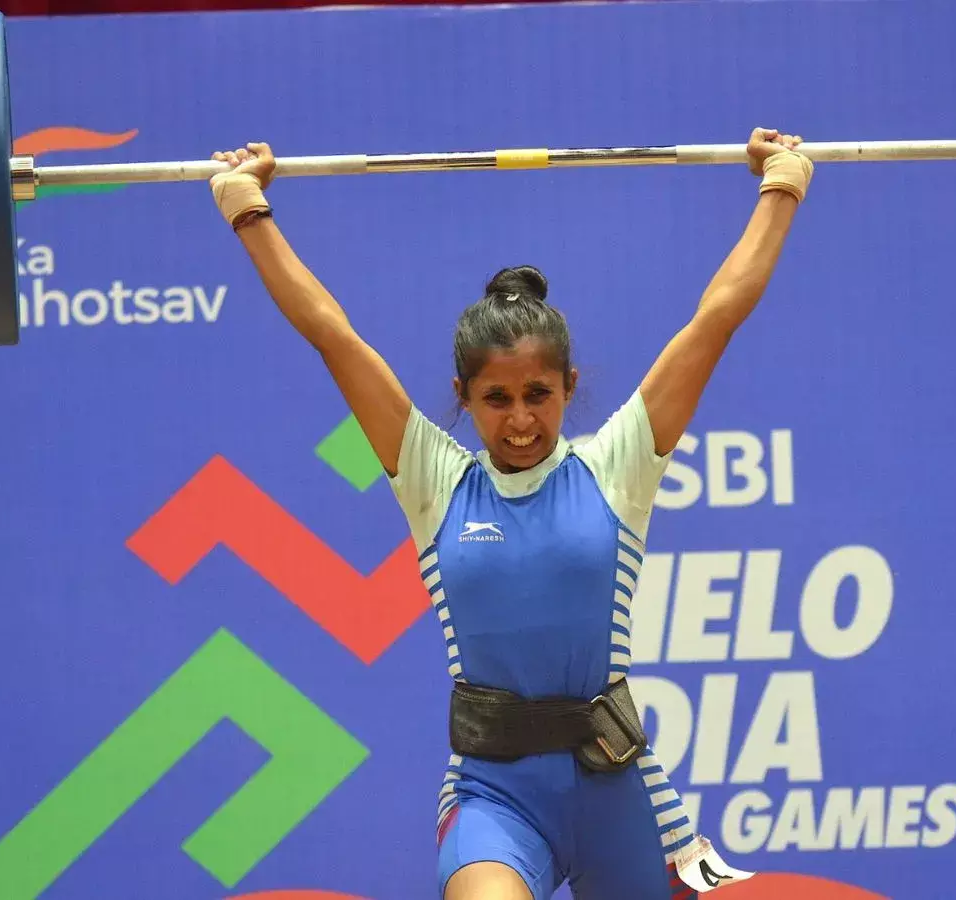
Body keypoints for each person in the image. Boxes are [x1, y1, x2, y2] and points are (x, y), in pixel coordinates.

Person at [208, 127, 813, 900]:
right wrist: (248, 208)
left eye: (538, 395)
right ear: (462, 397)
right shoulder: (433, 479)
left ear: (569, 387)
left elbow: (715, 319)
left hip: (617, 793)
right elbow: (333, 335)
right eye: (496, 398)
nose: (520, 419)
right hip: (494, 800)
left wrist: (781, 185)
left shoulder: (617, 466)